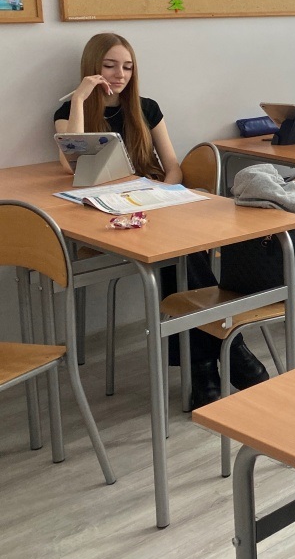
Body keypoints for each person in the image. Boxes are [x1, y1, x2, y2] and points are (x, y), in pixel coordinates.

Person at [54, 33, 268, 408]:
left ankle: (203, 367)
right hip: (109, 213)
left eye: (127, 66)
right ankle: (228, 352)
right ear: (91, 67)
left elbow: (173, 166)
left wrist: (164, 194)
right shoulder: (70, 112)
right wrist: (79, 99)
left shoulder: (147, 107)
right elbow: (69, 166)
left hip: (154, 203)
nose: (119, 74)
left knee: (182, 255)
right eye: (109, 65)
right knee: (177, 259)